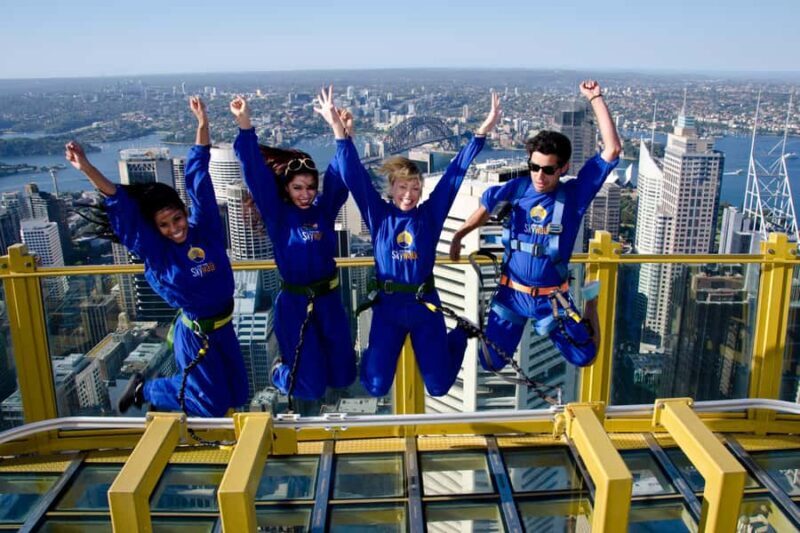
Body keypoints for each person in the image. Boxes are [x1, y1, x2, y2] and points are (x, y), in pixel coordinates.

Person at [65, 96, 248, 417]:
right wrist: (88, 168)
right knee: (213, 403)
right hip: (196, 334)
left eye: (177, 218)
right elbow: (121, 205)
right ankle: (146, 389)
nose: (175, 228)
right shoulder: (157, 252)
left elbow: (197, 178)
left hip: (224, 326)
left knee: (238, 392)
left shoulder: (204, 230)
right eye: (164, 225)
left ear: (183, 213)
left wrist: (203, 126)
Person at [316, 86, 501, 397]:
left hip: (425, 304)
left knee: (440, 387)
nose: (408, 195)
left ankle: (459, 335)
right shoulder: (379, 214)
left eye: (415, 188)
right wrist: (338, 129)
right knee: (375, 387)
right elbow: (353, 176)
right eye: (402, 187)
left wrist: (482, 132)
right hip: (388, 308)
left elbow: (455, 174)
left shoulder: (429, 214)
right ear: (391, 188)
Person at [449, 80, 621, 373]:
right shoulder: (516, 189)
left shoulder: (574, 197)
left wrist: (596, 99)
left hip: (551, 299)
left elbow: (612, 150)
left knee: (586, 357)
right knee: (490, 362)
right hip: (512, 294)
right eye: (534, 166)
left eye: (548, 169)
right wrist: (459, 236)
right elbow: (484, 210)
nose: (539, 175)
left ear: (563, 167)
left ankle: (590, 303)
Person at [230, 95, 356, 402]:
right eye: (298, 187)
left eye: (311, 187)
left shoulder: (323, 210)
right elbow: (255, 173)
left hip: (328, 300)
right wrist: (245, 124)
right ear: (286, 188)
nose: (305, 194)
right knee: (310, 388)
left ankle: (313, 366)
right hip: (294, 304)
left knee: (345, 376)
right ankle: (279, 370)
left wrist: (343, 131)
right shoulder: (278, 214)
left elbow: (341, 173)